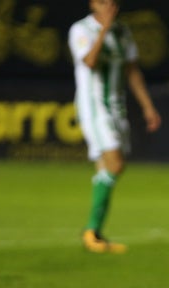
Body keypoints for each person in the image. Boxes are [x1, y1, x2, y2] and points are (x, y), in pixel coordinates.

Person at [68, 0, 161, 253]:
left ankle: (93, 234)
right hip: (94, 108)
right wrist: (104, 28)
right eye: (103, 1)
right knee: (115, 163)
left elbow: (132, 71)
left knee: (110, 168)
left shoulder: (123, 31)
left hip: (117, 108)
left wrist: (147, 106)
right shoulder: (81, 29)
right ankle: (91, 230)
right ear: (92, 4)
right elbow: (89, 61)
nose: (109, 5)